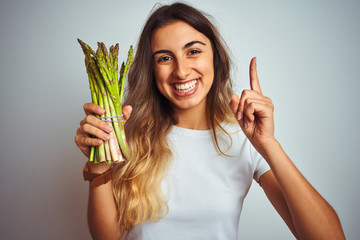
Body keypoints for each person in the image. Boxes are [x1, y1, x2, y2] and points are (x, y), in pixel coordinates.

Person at [75, 2, 345, 239]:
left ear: (215, 56)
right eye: (165, 58)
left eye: (193, 51)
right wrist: (99, 167)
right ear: (151, 69)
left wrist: (268, 144)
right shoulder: (124, 133)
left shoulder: (244, 135)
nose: (181, 71)